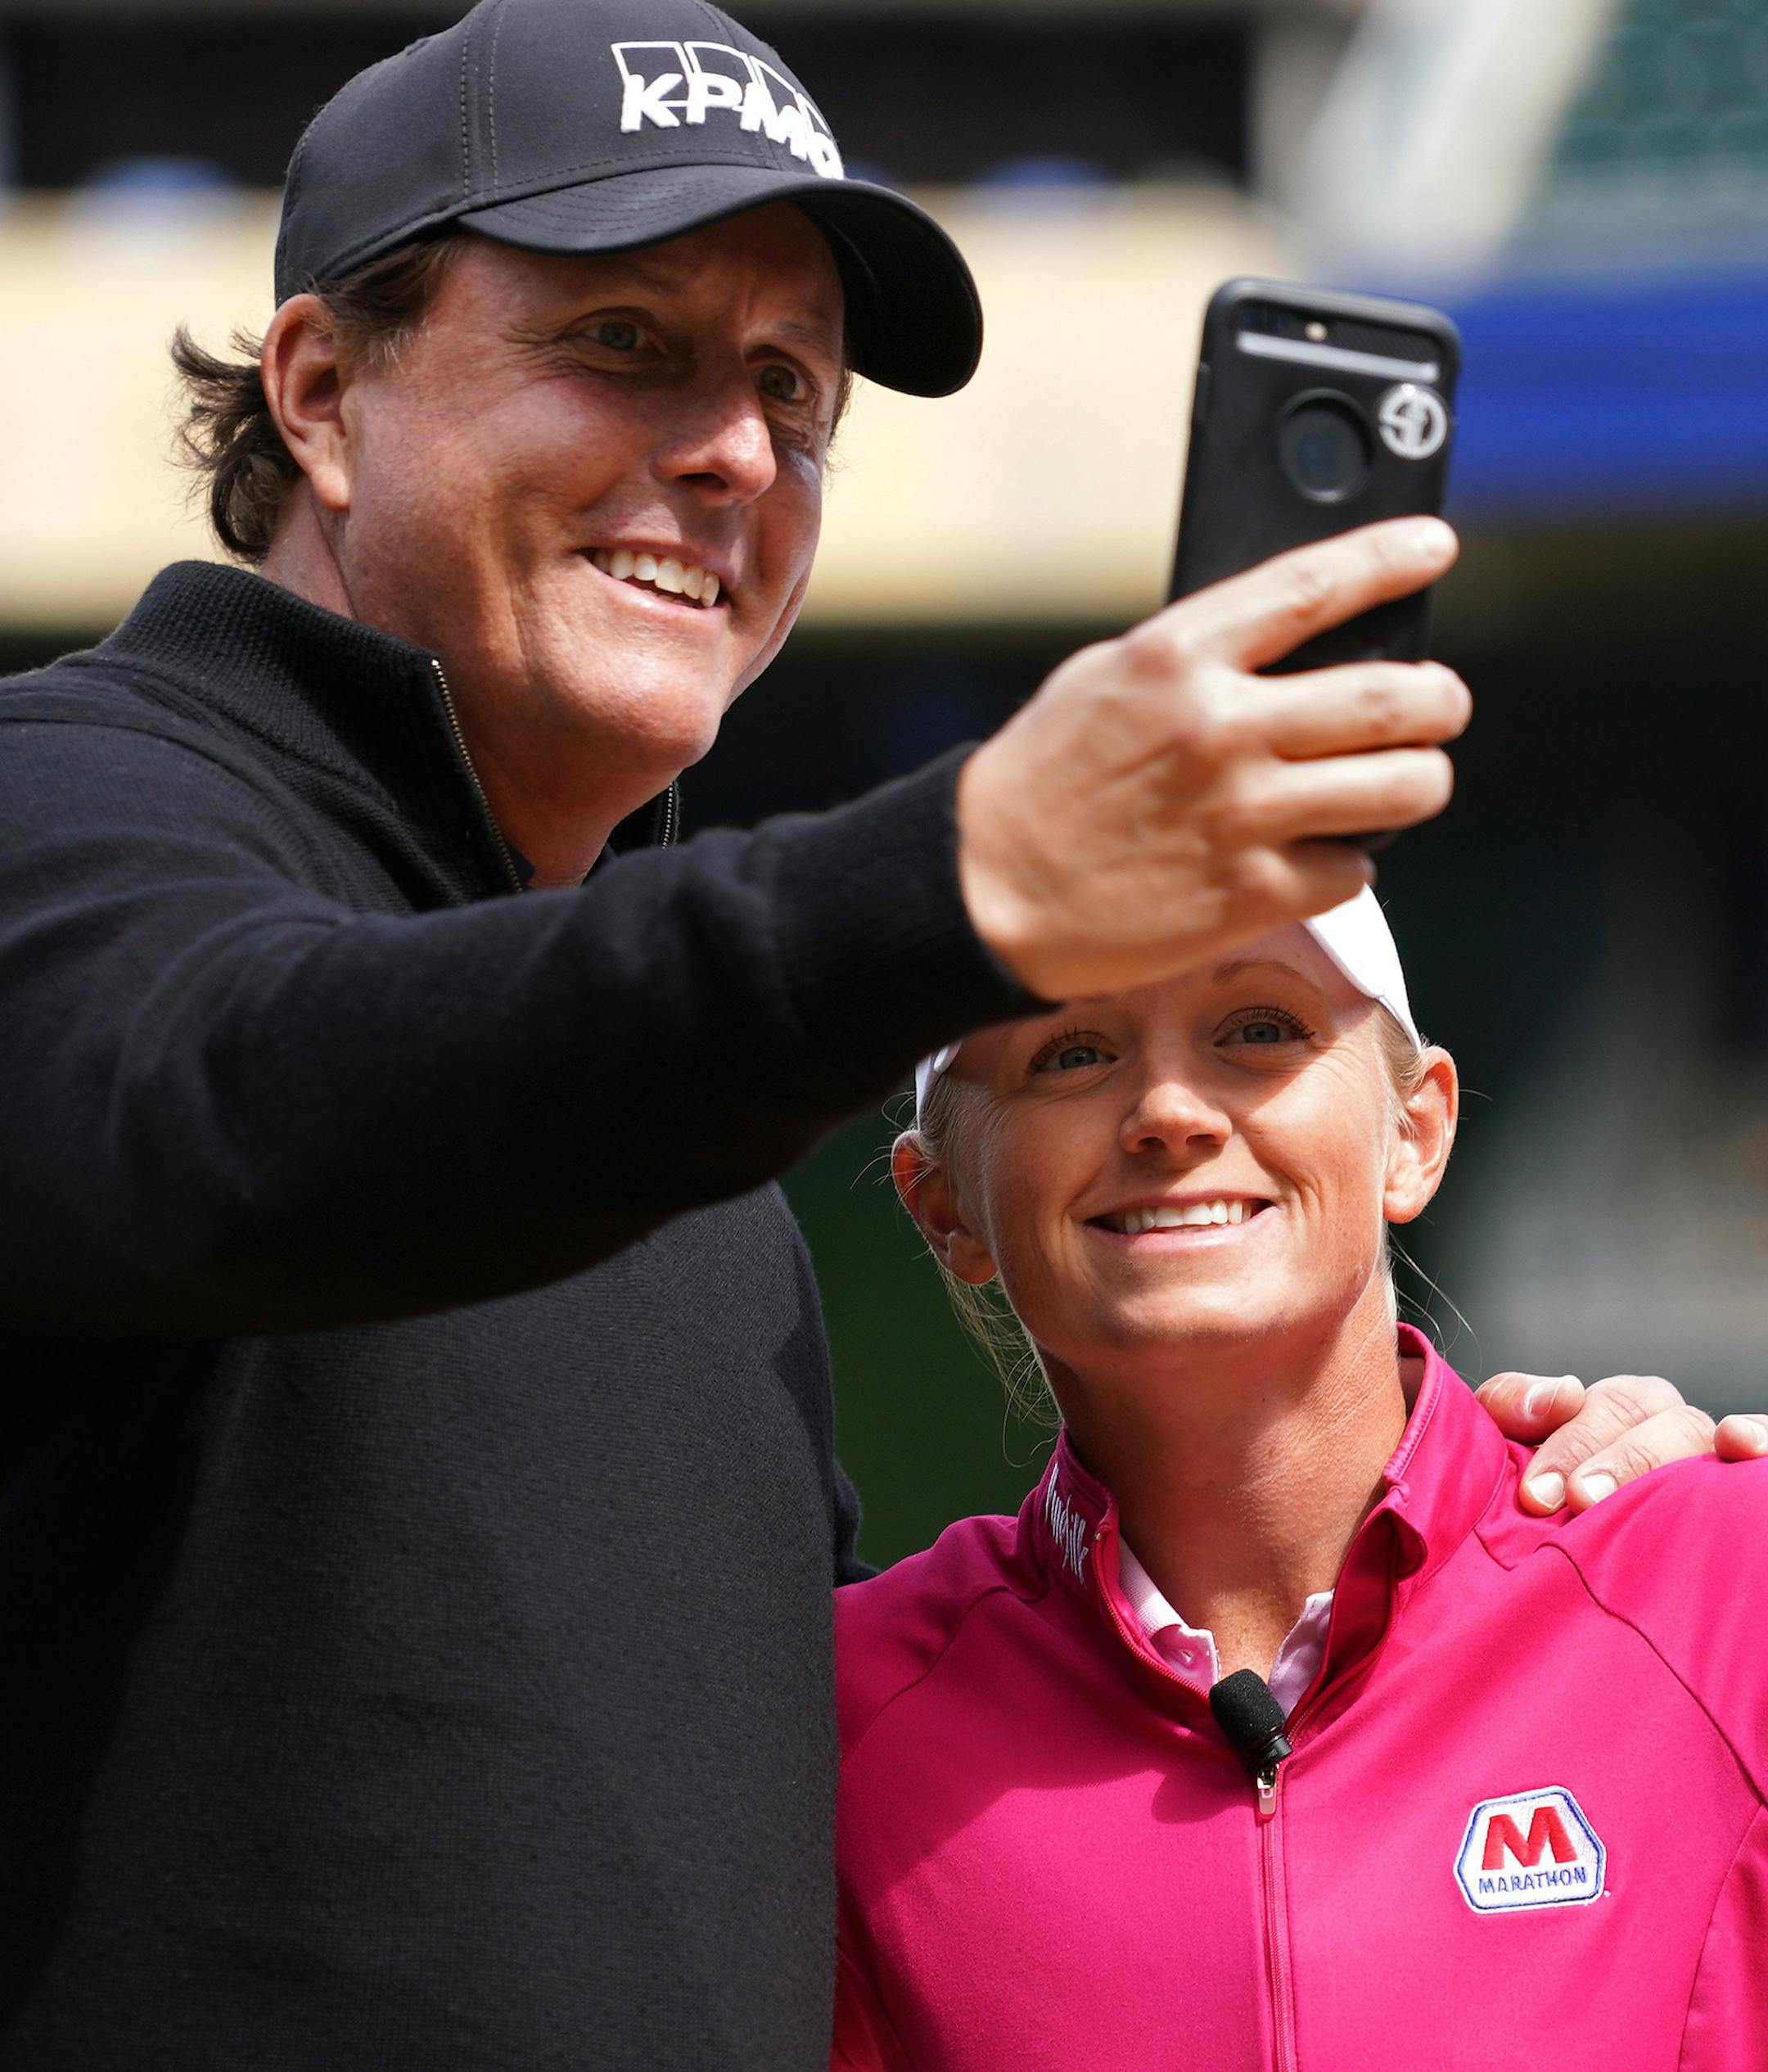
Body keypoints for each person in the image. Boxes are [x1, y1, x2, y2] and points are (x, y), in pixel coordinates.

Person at [0, 0, 1739, 2065]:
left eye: (792, 390)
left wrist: (1560, 1540)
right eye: (623, 344)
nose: (735, 449)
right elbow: (248, 1107)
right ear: (323, 391)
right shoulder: (74, 811)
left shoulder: (696, 1187)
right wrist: (963, 876)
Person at [834, 892, 1768, 2070]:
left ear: (1415, 1132)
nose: (1170, 1112)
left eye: (1260, 1030)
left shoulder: (1732, 1588)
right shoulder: (835, 1723)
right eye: (1071, 1050)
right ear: (945, 1208)